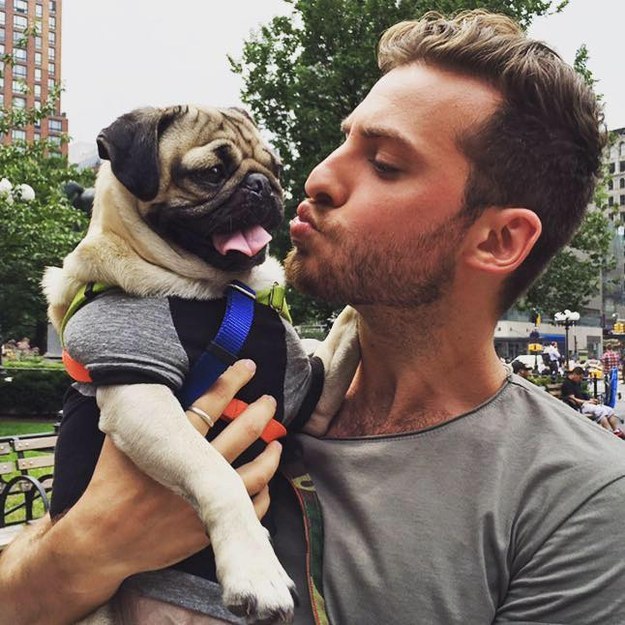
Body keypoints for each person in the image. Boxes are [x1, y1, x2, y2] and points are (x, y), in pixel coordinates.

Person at [2, 9, 625, 625]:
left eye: (384, 163)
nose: (319, 176)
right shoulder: (263, 364)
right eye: (343, 140)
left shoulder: (577, 499)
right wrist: (76, 554)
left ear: (497, 240)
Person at [561, 366, 625, 438]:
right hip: (579, 406)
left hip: (585, 404)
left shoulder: (576, 382)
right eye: (580, 378)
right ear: (575, 374)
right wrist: (587, 402)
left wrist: (591, 399)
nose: (581, 380)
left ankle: (616, 431)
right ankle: (608, 435)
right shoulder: (567, 384)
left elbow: (581, 394)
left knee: (609, 410)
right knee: (601, 411)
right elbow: (572, 399)